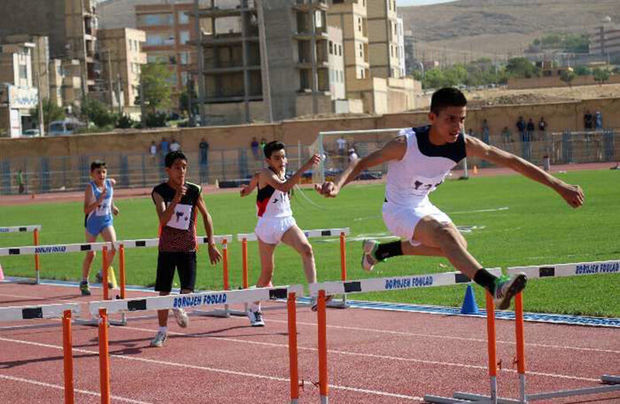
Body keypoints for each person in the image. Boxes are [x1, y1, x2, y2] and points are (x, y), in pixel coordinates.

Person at [315, 87, 584, 310]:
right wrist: (337, 185)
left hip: (422, 204)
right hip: (397, 209)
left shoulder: (463, 144)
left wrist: (559, 185)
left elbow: (512, 161)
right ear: (432, 116)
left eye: (462, 119)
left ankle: (382, 251)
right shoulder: (406, 144)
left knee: (458, 246)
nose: (457, 126)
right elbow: (361, 163)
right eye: (450, 119)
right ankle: (494, 285)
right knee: (446, 237)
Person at [239, 141, 322, 326]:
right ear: (268, 160)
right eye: (277, 158)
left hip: (285, 222)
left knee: (307, 249)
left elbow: (259, 181)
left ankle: (315, 295)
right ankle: (253, 307)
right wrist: (307, 165)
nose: (282, 160)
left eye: (284, 156)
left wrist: (248, 189)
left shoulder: (280, 172)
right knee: (267, 274)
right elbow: (283, 187)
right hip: (267, 226)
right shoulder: (266, 173)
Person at [150, 151, 222, 347]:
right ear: (168, 170)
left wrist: (211, 244)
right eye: (177, 167)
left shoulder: (194, 189)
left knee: (187, 290)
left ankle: (179, 307)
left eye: (184, 167)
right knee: (164, 292)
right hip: (167, 249)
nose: (181, 171)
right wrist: (175, 199)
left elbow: (207, 216)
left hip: (188, 247)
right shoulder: (159, 191)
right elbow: (163, 219)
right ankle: (162, 331)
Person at [80, 161, 119, 296]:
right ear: (92, 174)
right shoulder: (90, 188)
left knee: (113, 248)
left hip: (106, 221)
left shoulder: (110, 183)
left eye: (103, 172)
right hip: (92, 223)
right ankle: (84, 282)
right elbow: (86, 210)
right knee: (91, 254)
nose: (101, 175)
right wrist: (98, 201)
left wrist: (113, 207)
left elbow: (110, 196)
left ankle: (102, 274)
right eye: (98, 172)